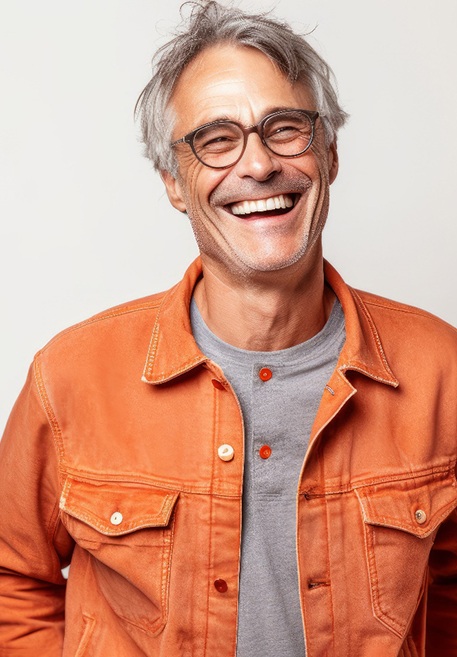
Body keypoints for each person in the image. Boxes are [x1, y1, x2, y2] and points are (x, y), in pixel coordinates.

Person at [0, 1, 456, 655]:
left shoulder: (440, 367)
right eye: (217, 139)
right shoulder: (71, 374)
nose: (258, 165)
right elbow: (12, 580)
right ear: (172, 182)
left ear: (329, 153)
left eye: (285, 129)